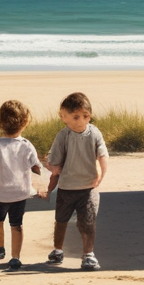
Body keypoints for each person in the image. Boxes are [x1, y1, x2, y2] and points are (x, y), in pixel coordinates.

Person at [45, 92, 108, 271]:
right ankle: (57, 250)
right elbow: (54, 161)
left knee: (88, 222)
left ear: (89, 116)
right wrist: (51, 169)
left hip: (89, 188)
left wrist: (101, 174)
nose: (79, 121)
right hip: (66, 187)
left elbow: (103, 155)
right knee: (61, 220)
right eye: (74, 117)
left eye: (83, 117)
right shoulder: (63, 136)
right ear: (63, 117)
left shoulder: (94, 133)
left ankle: (88, 254)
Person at [0, 99, 43, 271]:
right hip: (20, 192)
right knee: (16, 224)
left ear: (0, 122)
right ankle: (15, 257)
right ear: (25, 123)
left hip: (1, 192)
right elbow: (36, 166)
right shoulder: (26, 145)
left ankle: (0, 247)